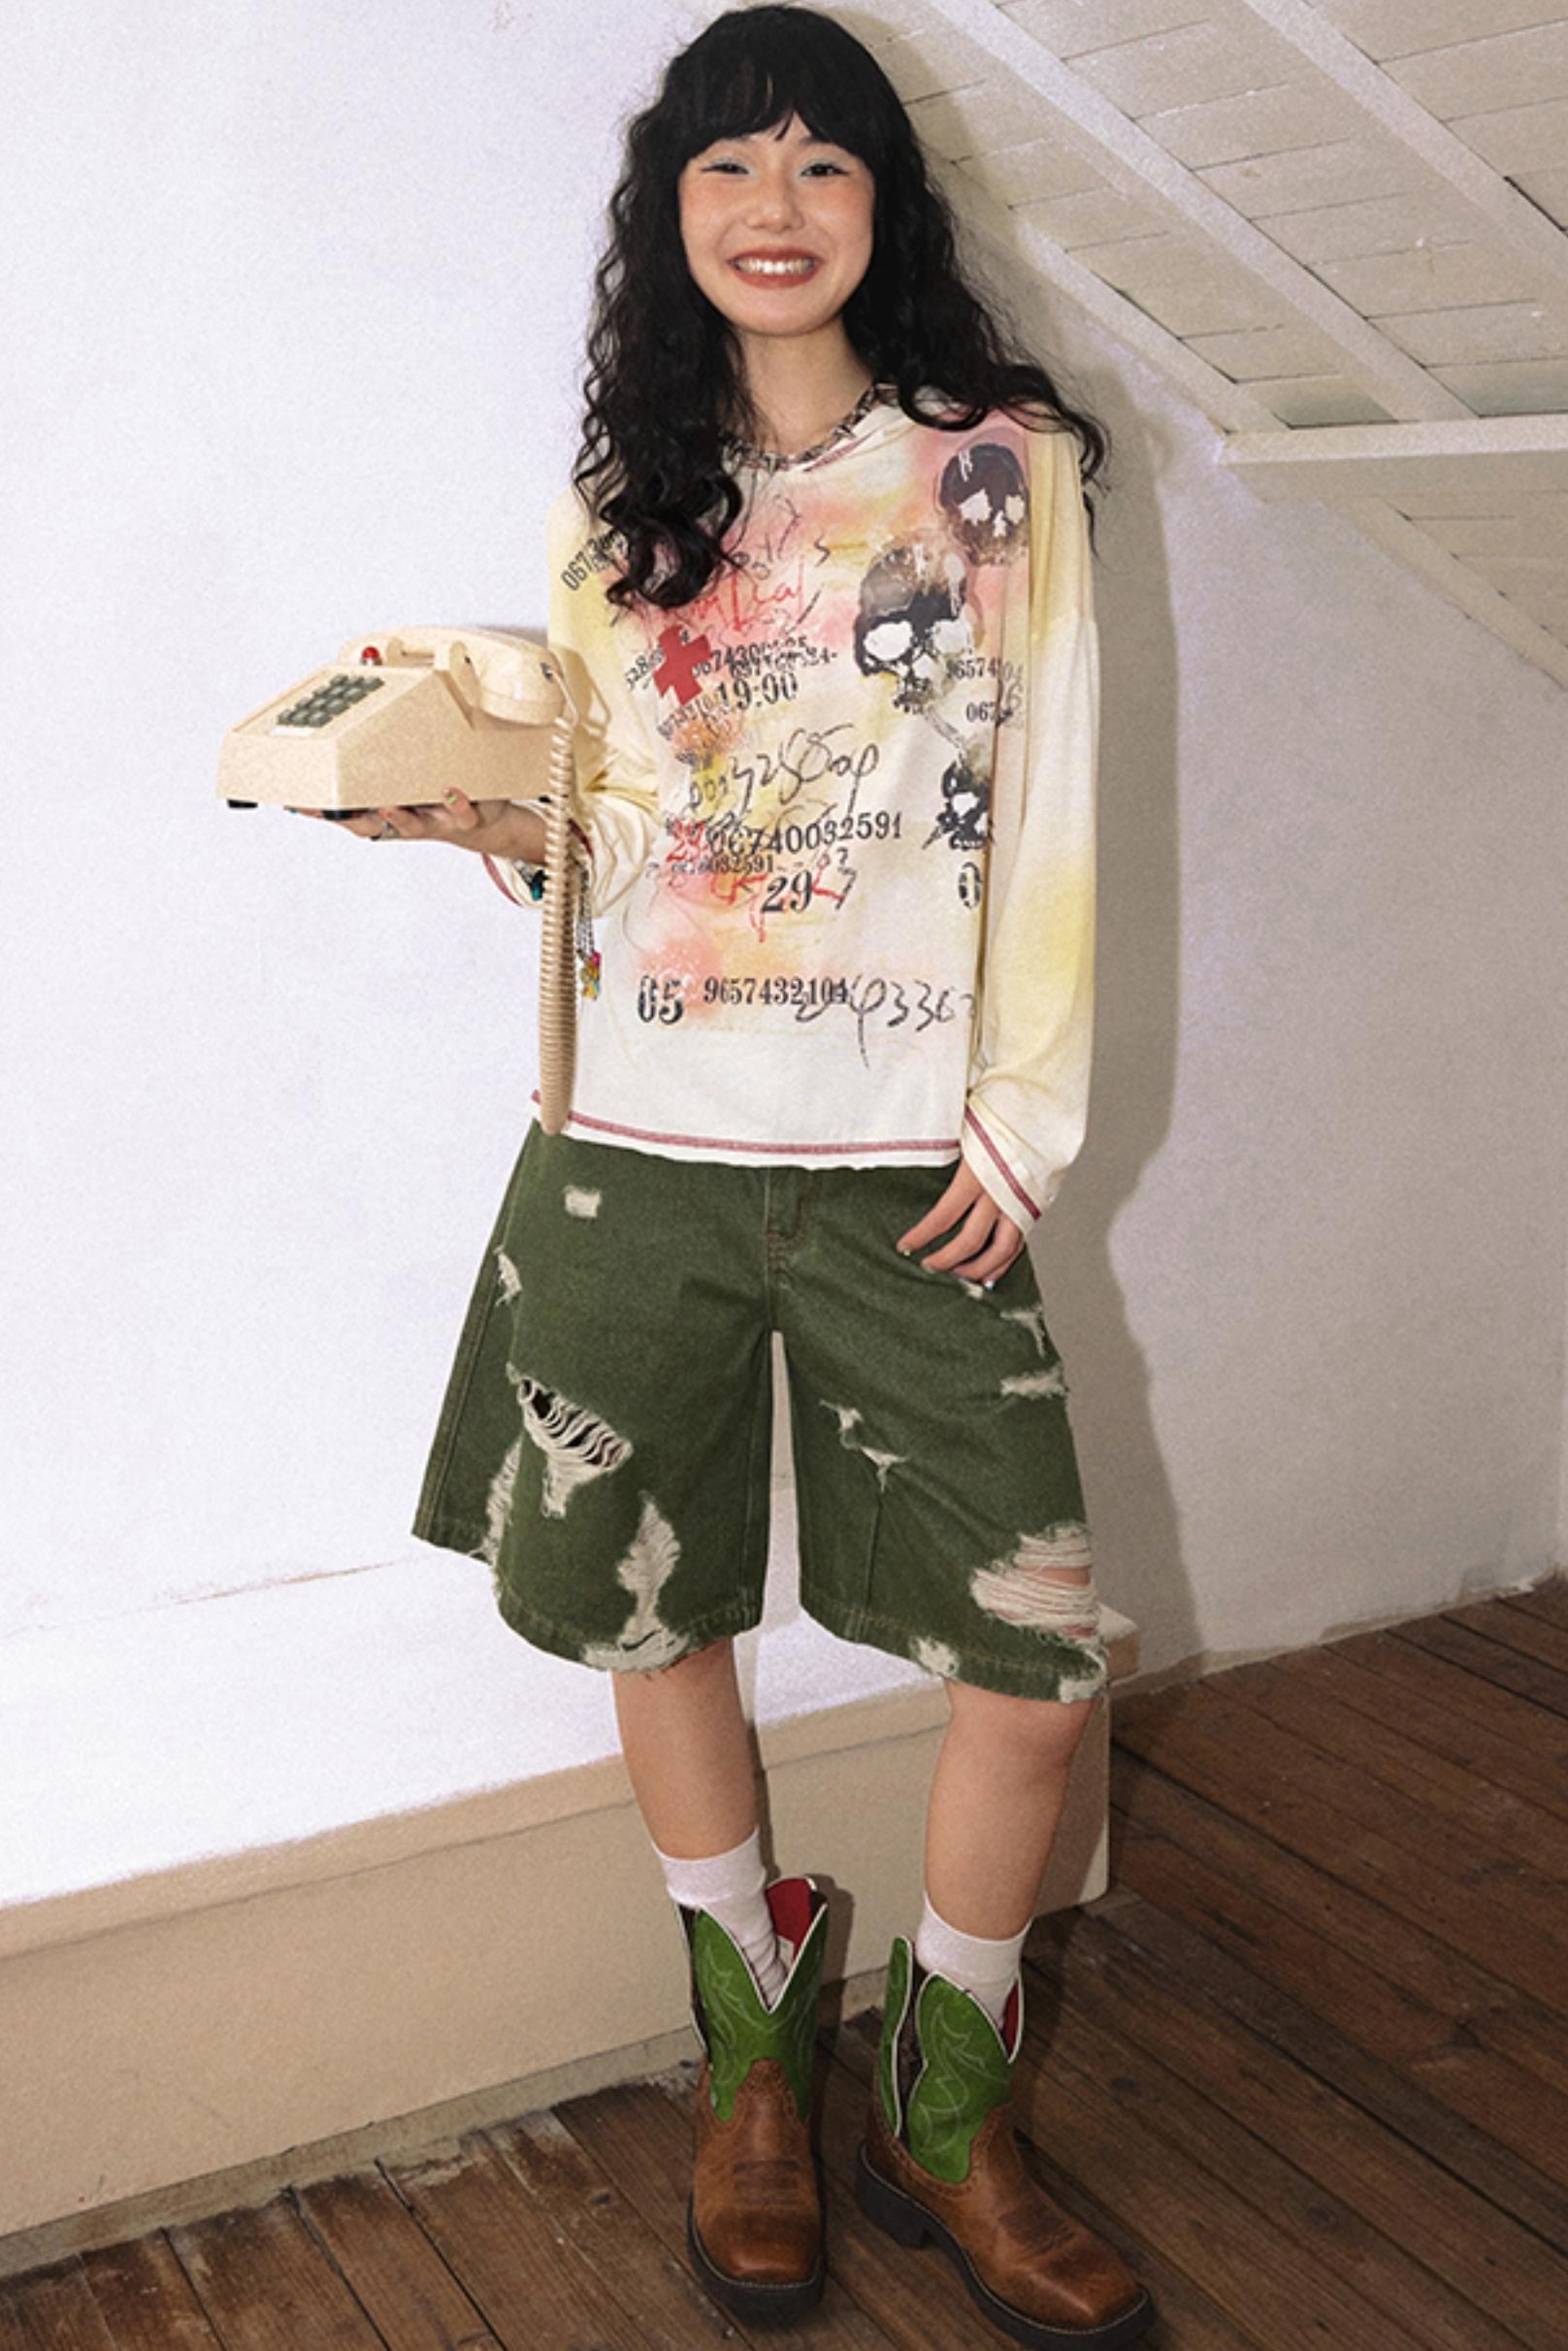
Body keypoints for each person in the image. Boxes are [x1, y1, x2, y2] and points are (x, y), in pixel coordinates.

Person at [297, 9, 1153, 2343]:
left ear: (883, 205)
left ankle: (947, 2110)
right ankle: (751, 2059)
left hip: (900, 1170)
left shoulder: (997, 473)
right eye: (726, 169)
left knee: (1034, 1664)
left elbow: (1053, 794)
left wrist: (1025, 1117)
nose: (774, 209)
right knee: (645, 1605)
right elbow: (629, 845)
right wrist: (484, 827)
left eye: (820, 164)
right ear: (668, 215)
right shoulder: (621, 509)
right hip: (632, 1155)